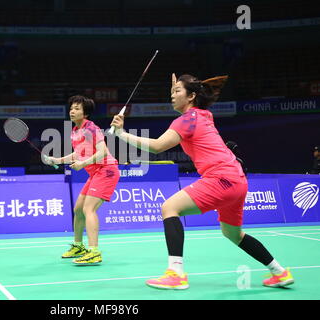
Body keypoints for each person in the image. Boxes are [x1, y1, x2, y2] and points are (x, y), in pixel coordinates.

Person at [110, 73, 294, 289]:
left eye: (177, 92)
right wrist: (181, 88)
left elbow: (159, 146)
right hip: (238, 179)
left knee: (169, 207)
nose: (172, 96)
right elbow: (196, 110)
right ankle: (279, 272)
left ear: (192, 96)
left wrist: (122, 134)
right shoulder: (203, 115)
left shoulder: (187, 119)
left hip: (221, 177)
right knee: (232, 233)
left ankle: (176, 273)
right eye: (171, 92)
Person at [45, 95, 120, 265]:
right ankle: (79, 246)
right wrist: (56, 160)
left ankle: (94, 252)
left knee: (88, 209)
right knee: (78, 210)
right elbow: (78, 153)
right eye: (71, 108)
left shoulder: (92, 129)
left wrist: (82, 164)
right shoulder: (75, 131)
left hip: (106, 170)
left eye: (77, 108)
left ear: (85, 113)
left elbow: (102, 152)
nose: (72, 111)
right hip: (95, 174)